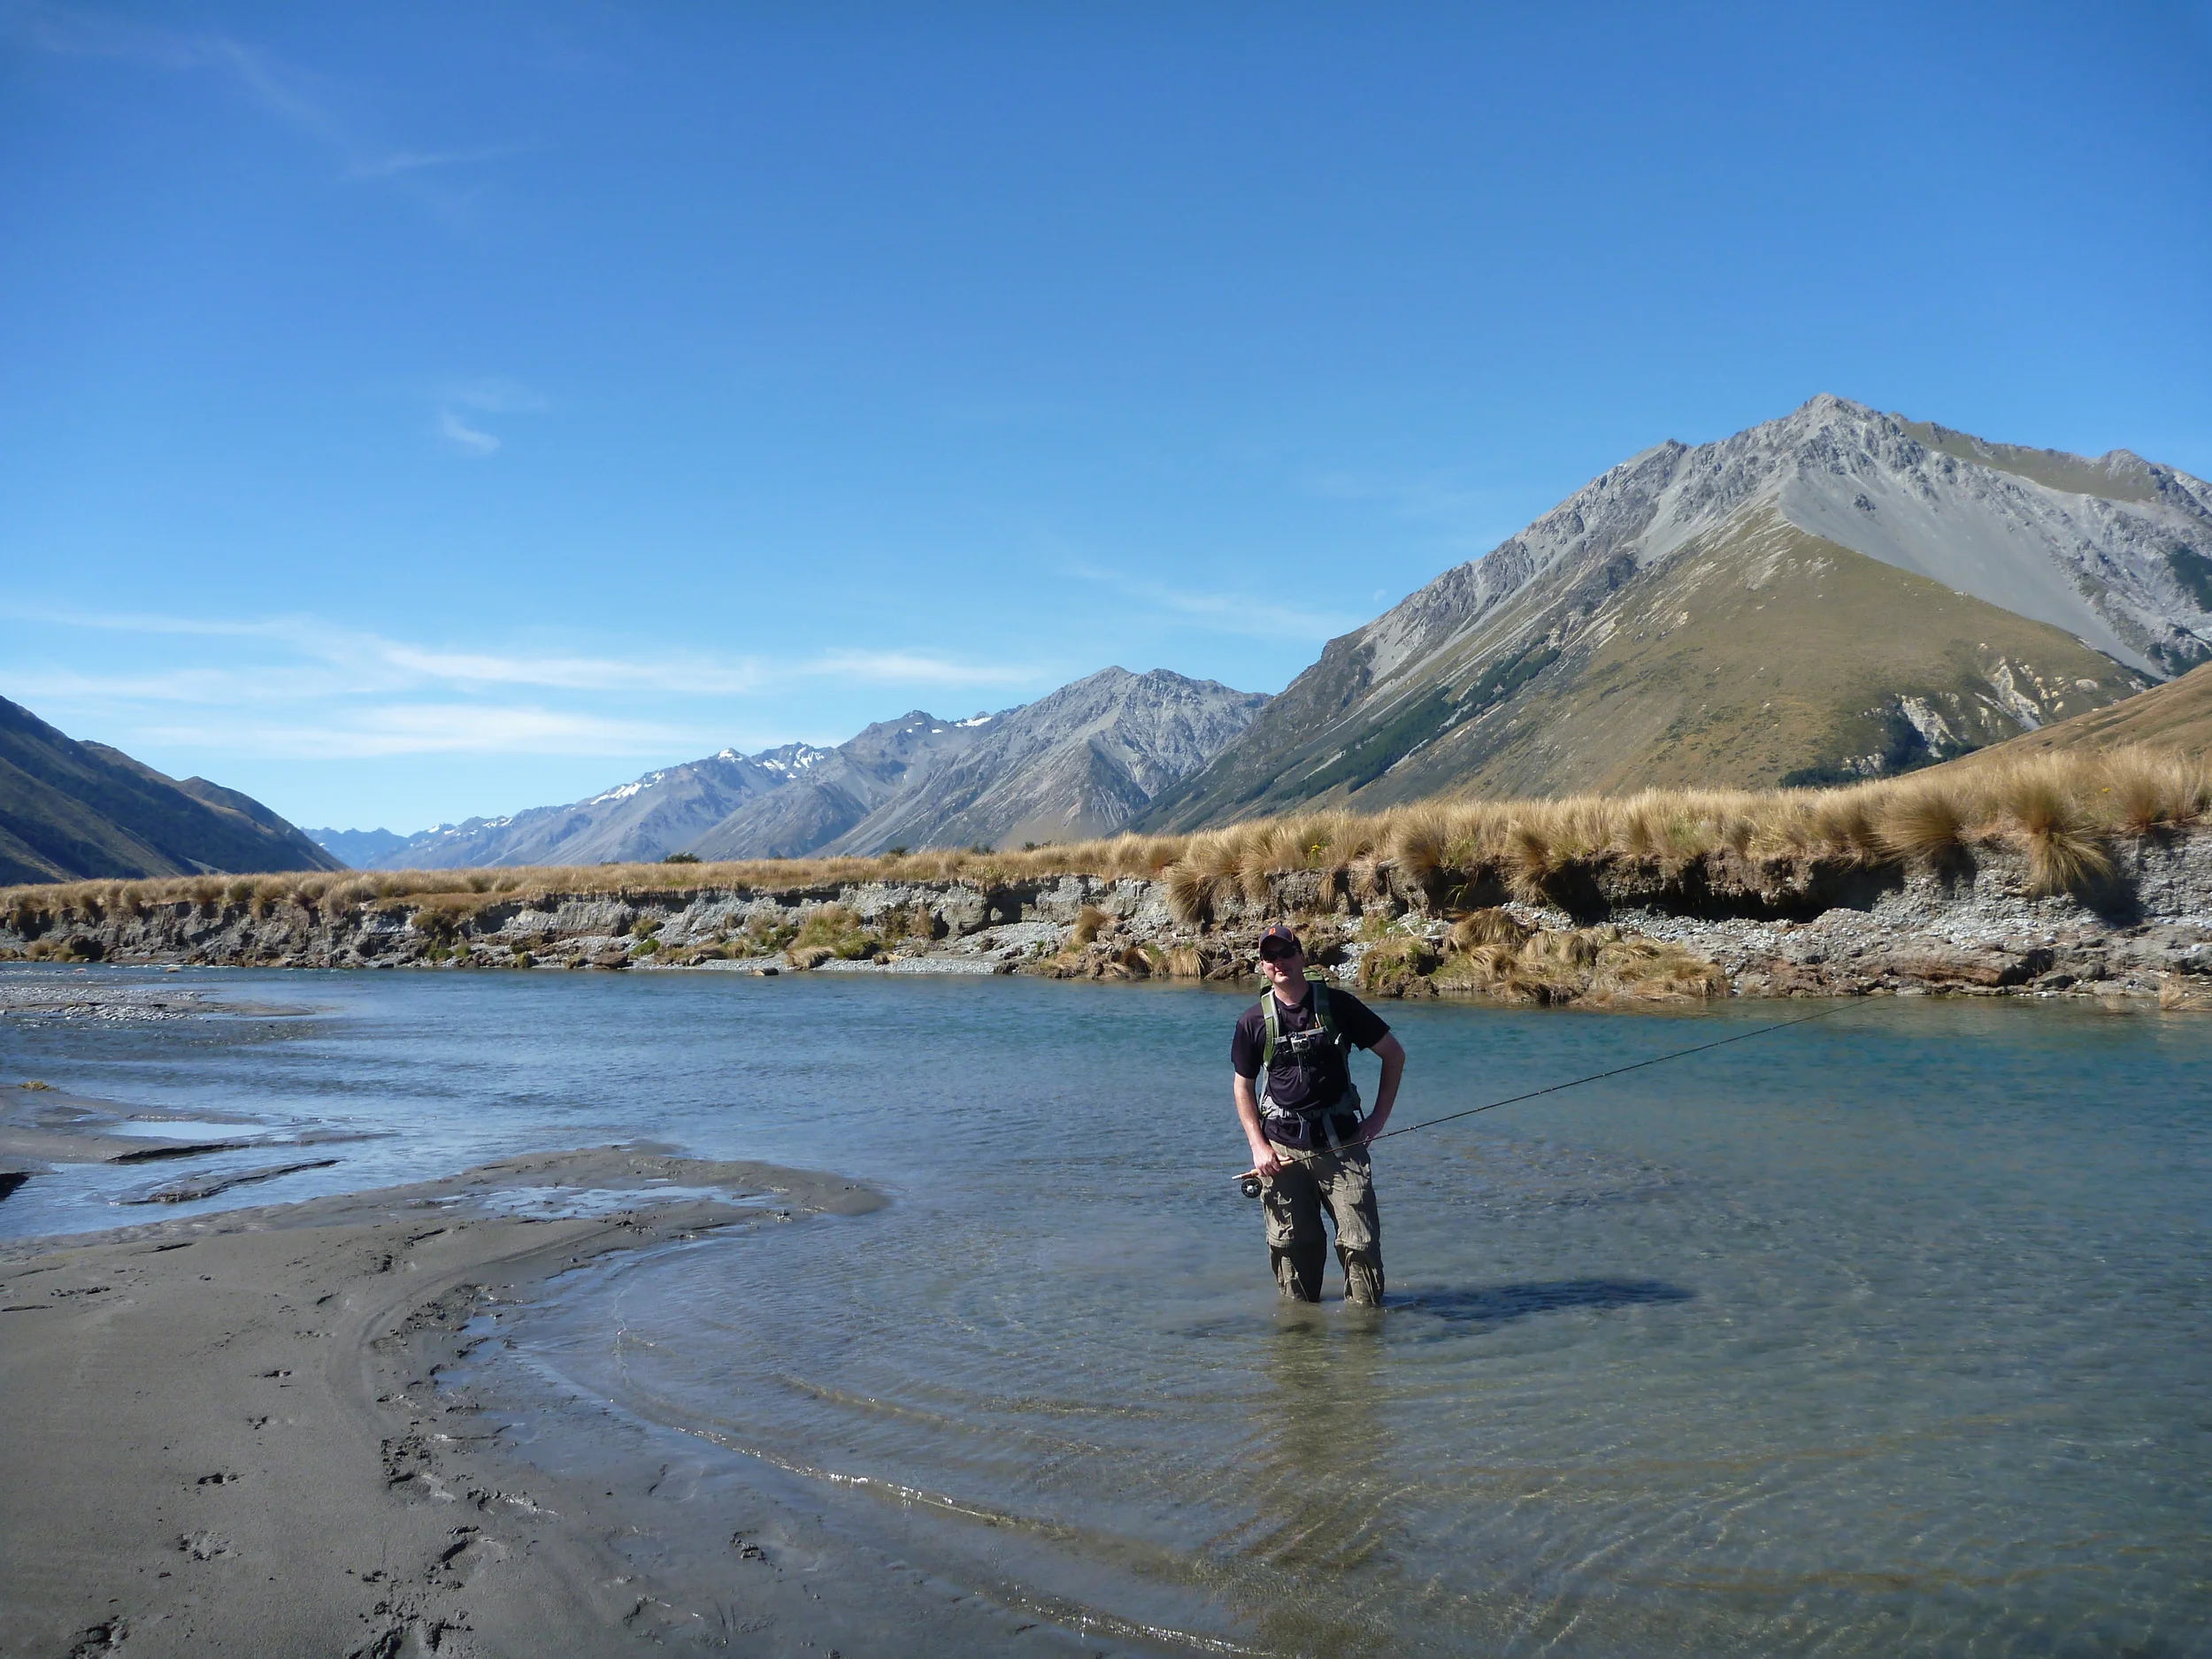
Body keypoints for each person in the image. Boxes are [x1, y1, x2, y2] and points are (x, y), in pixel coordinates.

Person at [1231, 924, 1405, 1305]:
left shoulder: (1340, 1007)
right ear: (1262, 966)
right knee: (1292, 1246)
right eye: (1270, 957)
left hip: (1343, 1147)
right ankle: (1300, 1345)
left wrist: (1376, 1121)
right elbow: (1242, 1087)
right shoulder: (1252, 1022)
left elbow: (1394, 1055)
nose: (1280, 963)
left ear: (1302, 956)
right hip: (1281, 1154)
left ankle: (1366, 1341)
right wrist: (1259, 1148)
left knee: (1360, 1244)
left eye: (1287, 953)